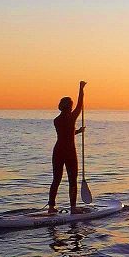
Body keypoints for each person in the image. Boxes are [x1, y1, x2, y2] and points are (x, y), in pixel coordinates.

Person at [48, 81, 87, 214]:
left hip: (58, 150)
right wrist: (81, 88)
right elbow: (80, 104)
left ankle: (51, 208)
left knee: (56, 179)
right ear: (69, 107)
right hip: (69, 152)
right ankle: (73, 208)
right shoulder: (72, 117)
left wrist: (78, 131)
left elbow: (65, 133)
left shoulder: (56, 120)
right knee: (72, 180)